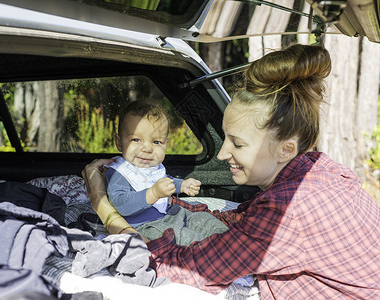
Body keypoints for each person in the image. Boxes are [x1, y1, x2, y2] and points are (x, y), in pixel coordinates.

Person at [82, 44, 380, 299]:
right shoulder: (321, 170)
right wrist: (182, 207)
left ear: (285, 149)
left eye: (237, 143)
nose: (223, 154)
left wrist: (103, 205)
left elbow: (183, 267)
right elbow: (246, 218)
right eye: (224, 138)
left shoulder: (290, 212)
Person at [104, 100, 229, 245]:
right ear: (119, 143)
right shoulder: (118, 172)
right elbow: (122, 204)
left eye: (156, 142)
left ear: (165, 144)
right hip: (145, 226)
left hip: (171, 213)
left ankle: (230, 241)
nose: (147, 148)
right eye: (136, 140)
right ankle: (213, 252)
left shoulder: (153, 167)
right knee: (187, 238)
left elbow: (164, 181)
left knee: (204, 220)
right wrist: (153, 193)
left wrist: (182, 185)